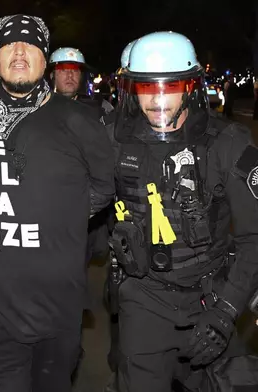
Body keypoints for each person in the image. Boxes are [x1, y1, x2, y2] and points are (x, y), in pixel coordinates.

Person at [0, 14, 115, 392]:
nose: (18, 51)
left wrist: (55, 217)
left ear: (44, 60)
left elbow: (105, 185)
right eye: (8, 45)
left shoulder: (79, 122)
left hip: (58, 312)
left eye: (29, 44)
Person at [110, 31, 258, 392]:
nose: (157, 100)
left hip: (212, 292)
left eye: (169, 87)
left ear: (190, 87)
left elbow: (255, 237)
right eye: (146, 89)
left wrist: (227, 310)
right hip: (145, 298)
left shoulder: (230, 143)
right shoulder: (113, 140)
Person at [49, 46, 114, 121]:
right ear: (52, 75)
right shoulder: (40, 108)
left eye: (75, 70)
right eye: (63, 69)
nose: (70, 75)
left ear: (81, 76)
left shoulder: (101, 109)